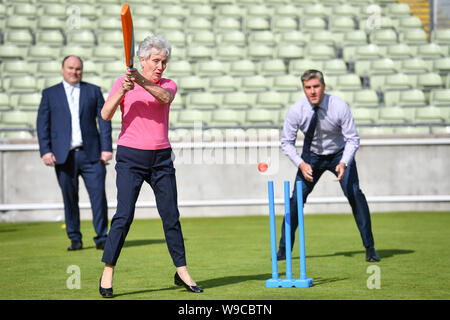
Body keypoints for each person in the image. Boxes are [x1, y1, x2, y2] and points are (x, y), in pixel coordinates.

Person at [98, 35, 203, 298]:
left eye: (164, 62)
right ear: (142, 60)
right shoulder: (122, 84)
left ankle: (182, 271)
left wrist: (141, 81)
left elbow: (164, 98)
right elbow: (105, 114)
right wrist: (123, 89)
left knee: (171, 216)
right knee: (124, 215)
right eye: (156, 61)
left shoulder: (168, 85)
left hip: (161, 159)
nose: (160, 67)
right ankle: (108, 270)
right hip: (130, 157)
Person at [277, 69, 380, 263]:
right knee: (295, 200)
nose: (313, 91)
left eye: (316, 86)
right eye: (308, 88)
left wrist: (344, 162)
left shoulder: (339, 106)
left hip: (339, 155)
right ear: (303, 89)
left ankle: (370, 247)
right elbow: (286, 143)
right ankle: (283, 251)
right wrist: (301, 164)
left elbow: (352, 139)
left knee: (355, 193)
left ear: (323, 86)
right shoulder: (296, 110)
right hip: (311, 158)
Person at [37, 55, 113, 251]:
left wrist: (106, 148)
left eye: (78, 69)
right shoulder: (50, 94)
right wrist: (46, 151)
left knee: (98, 197)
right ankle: (75, 238)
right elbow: (42, 125)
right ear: (63, 69)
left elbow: (104, 120)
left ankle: (102, 237)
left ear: (82, 70)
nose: (74, 72)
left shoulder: (93, 91)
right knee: (69, 198)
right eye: (70, 68)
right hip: (64, 156)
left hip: (93, 156)